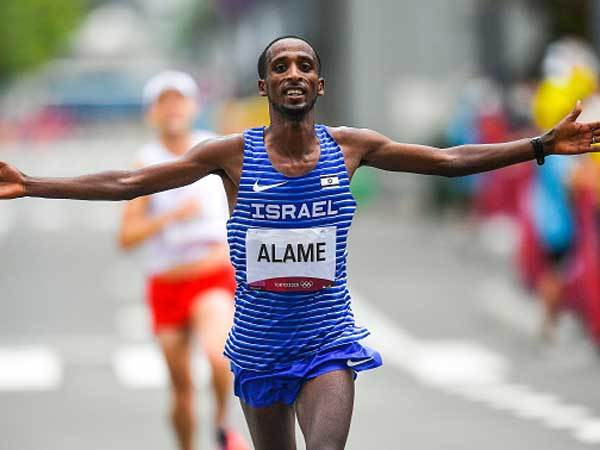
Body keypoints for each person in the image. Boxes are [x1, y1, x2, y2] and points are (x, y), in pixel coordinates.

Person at [1, 36, 600, 450]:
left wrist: (539, 145)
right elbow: (130, 182)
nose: (293, 73)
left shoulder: (351, 146)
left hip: (326, 342)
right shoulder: (231, 155)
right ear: (264, 84)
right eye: (281, 66)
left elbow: (447, 159)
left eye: (304, 65)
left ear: (320, 81)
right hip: (258, 347)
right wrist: (31, 183)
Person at [117, 70, 248, 450]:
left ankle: (223, 423)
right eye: (163, 101)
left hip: (213, 277)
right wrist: (169, 217)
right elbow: (126, 237)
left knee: (218, 354)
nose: (172, 108)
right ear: (151, 113)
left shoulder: (214, 151)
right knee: (182, 390)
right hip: (167, 282)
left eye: (179, 100)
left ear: (193, 107)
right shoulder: (147, 163)